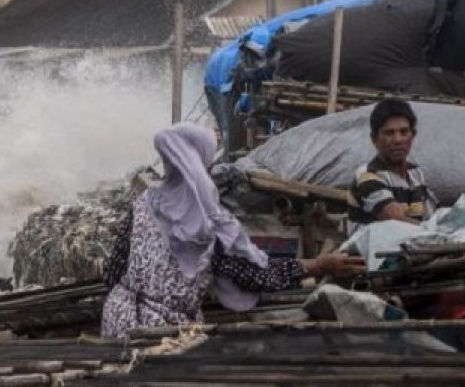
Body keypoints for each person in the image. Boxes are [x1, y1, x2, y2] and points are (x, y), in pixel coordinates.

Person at [101, 123, 365, 338]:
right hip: (162, 333)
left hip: (117, 320)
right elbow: (253, 275)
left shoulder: (143, 204)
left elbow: (113, 272)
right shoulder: (208, 221)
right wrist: (318, 265)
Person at [347, 98, 438, 233]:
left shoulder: (416, 173)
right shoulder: (367, 175)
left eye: (404, 132)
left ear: (413, 136)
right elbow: (395, 220)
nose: (398, 140)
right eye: (389, 133)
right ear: (374, 139)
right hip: (371, 252)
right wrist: (438, 233)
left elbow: (431, 217)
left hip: (411, 248)